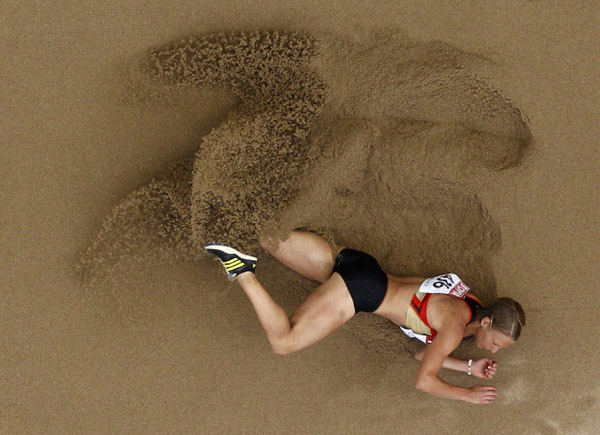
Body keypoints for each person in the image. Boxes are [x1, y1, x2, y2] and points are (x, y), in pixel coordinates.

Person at [205, 230, 526, 404]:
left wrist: (469, 366)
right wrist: (466, 393)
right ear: (486, 322)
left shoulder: (469, 304)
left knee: (265, 232)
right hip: (362, 291)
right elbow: (423, 380)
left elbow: (421, 354)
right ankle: (243, 271)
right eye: (496, 343)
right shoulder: (455, 328)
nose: (493, 349)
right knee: (283, 342)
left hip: (360, 266)